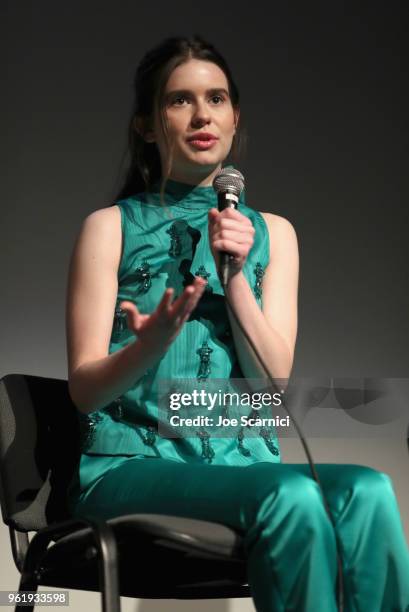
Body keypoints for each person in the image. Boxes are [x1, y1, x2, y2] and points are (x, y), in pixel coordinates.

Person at [65, 35, 409, 612]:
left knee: (370, 491)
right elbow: (82, 389)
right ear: (147, 126)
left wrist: (237, 278)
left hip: (241, 464)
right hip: (131, 467)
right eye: (179, 100)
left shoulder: (274, 233)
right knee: (292, 497)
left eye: (217, 98)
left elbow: (270, 384)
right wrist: (148, 346)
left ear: (234, 116)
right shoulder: (110, 227)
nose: (203, 114)